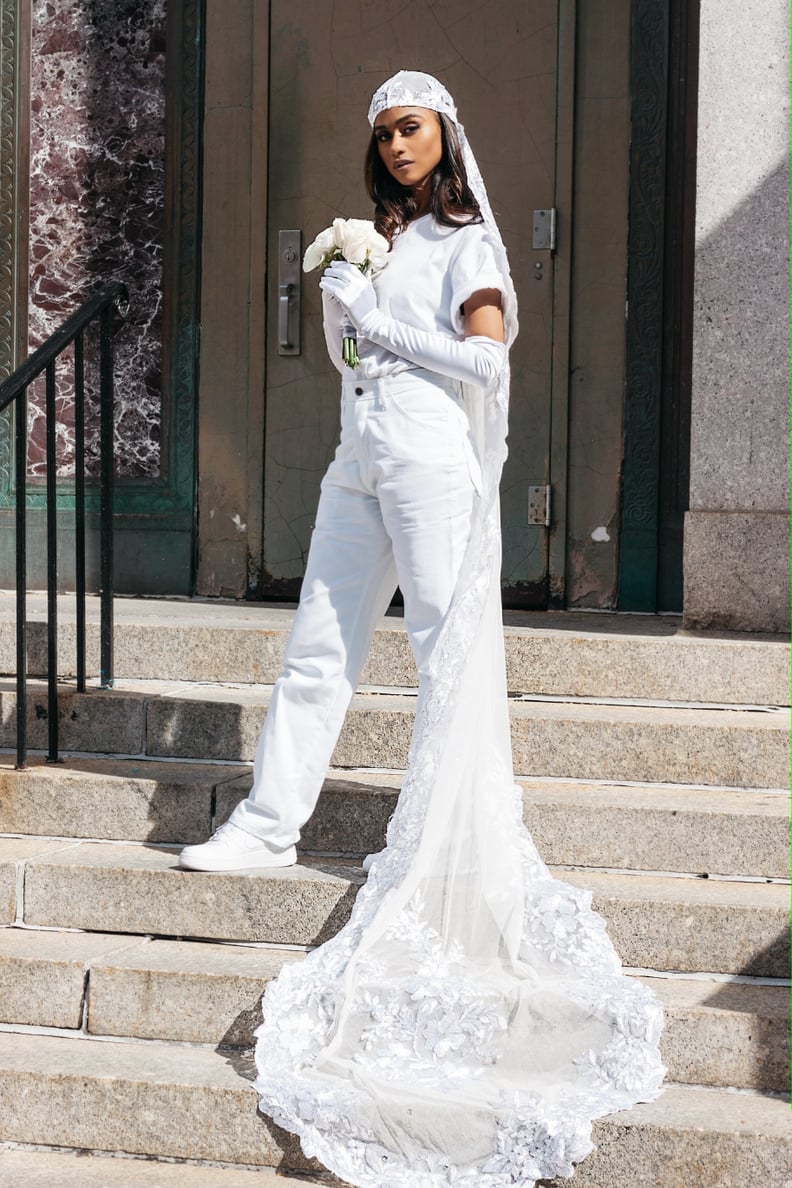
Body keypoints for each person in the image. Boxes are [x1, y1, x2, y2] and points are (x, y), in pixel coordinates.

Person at [180, 71, 665, 1187]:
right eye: (384, 133)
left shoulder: (467, 243)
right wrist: (351, 313)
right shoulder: (381, 240)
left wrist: (387, 324)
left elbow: (489, 360)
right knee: (317, 639)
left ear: (444, 131)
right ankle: (268, 818)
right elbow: (365, 361)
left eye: (411, 127)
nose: (396, 145)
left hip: (435, 469)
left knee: (444, 647)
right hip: (359, 462)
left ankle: (447, 837)